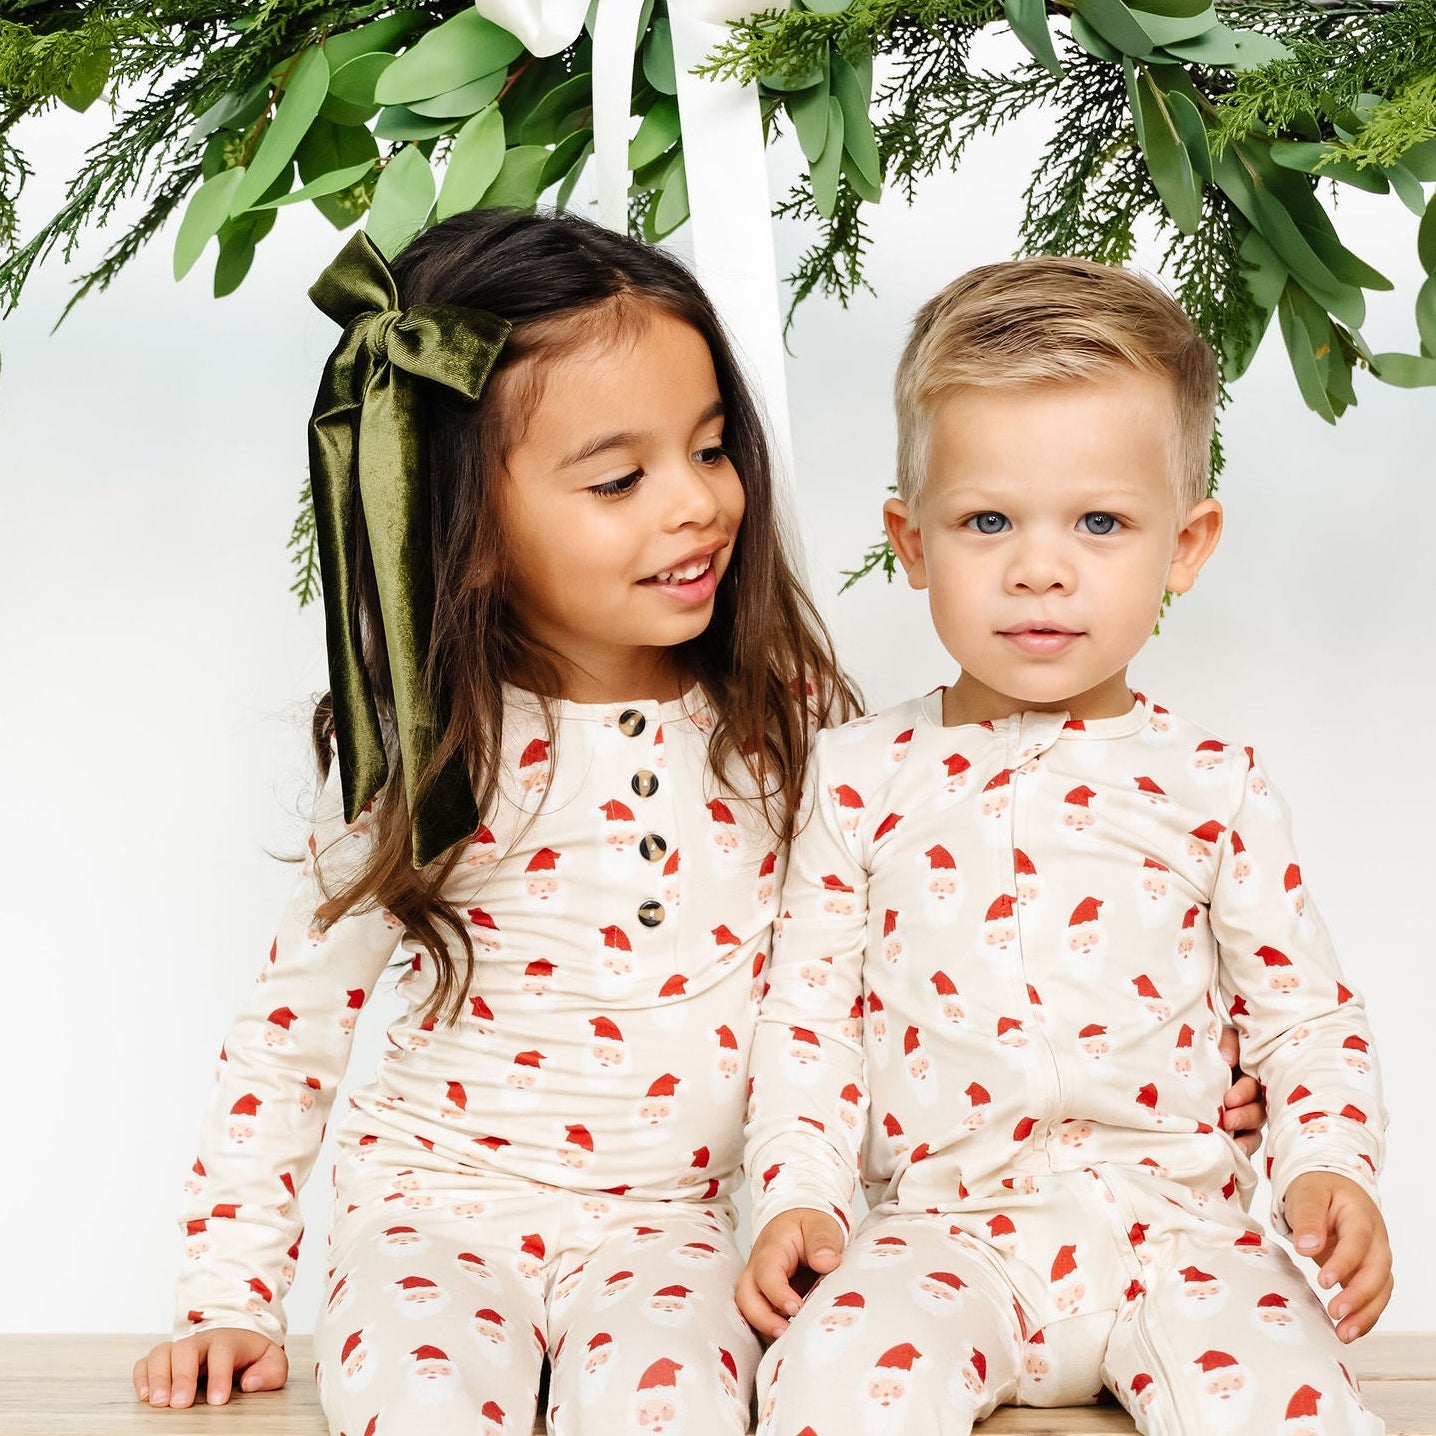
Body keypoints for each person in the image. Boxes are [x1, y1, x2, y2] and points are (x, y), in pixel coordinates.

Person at [131, 207, 863, 1435]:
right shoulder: (428, 747)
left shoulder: (777, 718)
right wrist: (228, 1294)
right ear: (460, 520)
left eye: (709, 447)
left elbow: (844, 984)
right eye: (619, 478)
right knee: (421, 1404)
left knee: (672, 1408)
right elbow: (291, 1029)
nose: (697, 501)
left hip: (670, 1228)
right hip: (430, 1212)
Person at [738, 256, 1390, 1436]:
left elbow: (1302, 1017)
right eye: (986, 520)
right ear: (910, 540)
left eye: (1099, 522)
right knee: (827, 1383)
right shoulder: (858, 776)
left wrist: (1323, 1162)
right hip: (938, 1237)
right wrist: (798, 1192)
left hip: (1187, 1236)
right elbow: (808, 1021)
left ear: (1184, 543)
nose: (1039, 567)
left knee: (1291, 1404)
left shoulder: (1213, 785)